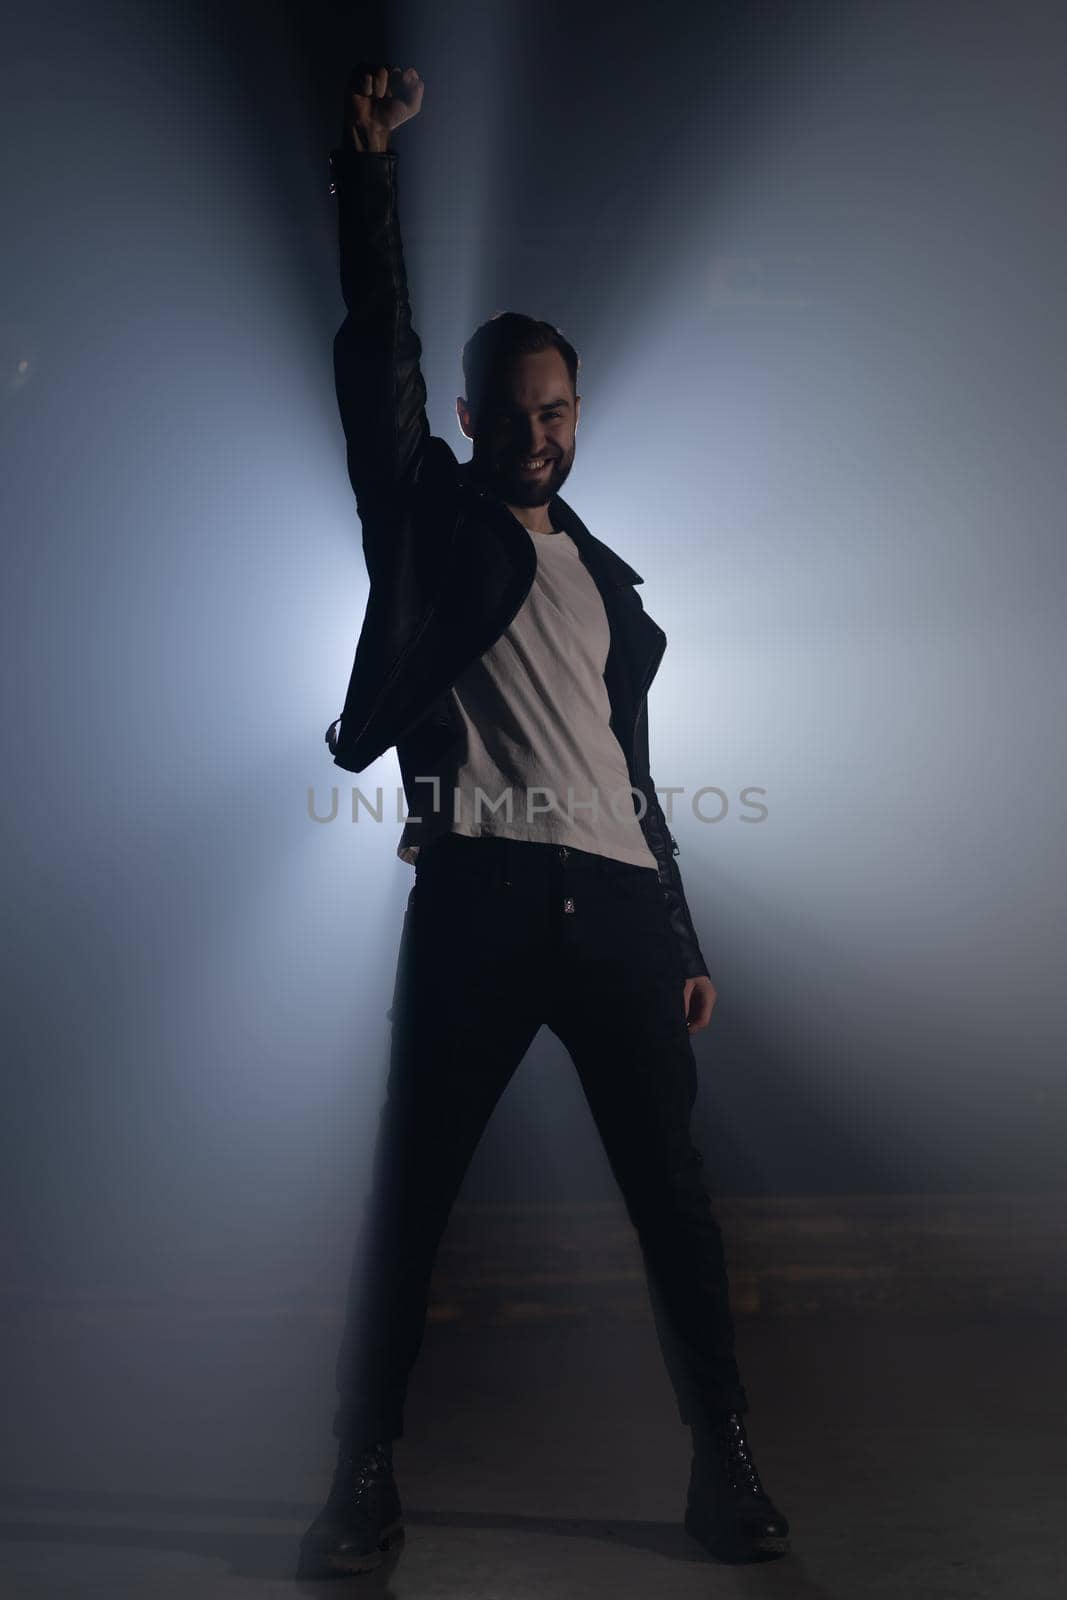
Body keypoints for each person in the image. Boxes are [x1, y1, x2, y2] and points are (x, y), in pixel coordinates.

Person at [301, 63, 790, 1576]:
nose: (536, 433)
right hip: (481, 901)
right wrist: (368, 178)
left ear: (579, 416)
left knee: (679, 1219)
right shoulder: (433, 522)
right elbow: (374, 357)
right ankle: (363, 1484)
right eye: (511, 412)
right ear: (468, 416)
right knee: (413, 1206)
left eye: (558, 410)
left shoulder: (608, 582)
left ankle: (726, 1472)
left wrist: (684, 929)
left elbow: (632, 769)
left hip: (625, 913)